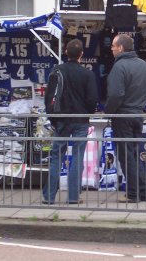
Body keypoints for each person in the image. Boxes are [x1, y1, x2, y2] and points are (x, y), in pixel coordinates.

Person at [42, 39, 98, 205]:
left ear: (65, 52)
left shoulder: (57, 71)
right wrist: (88, 114)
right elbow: (92, 99)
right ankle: (73, 197)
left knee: (56, 157)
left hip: (61, 120)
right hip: (80, 120)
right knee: (78, 156)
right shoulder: (87, 74)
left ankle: (49, 197)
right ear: (81, 54)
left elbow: (48, 98)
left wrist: (52, 118)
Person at [105, 34, 146, 203]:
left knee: (126, 156)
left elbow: (116, 94)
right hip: (137, 114)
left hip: (122, 115)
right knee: (134, 154)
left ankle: (134, 193)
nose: (111, 48)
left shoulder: (119, 67)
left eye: (113, 45)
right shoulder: (143, 65)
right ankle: (144, 191)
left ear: (121, 48)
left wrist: (108, 112)